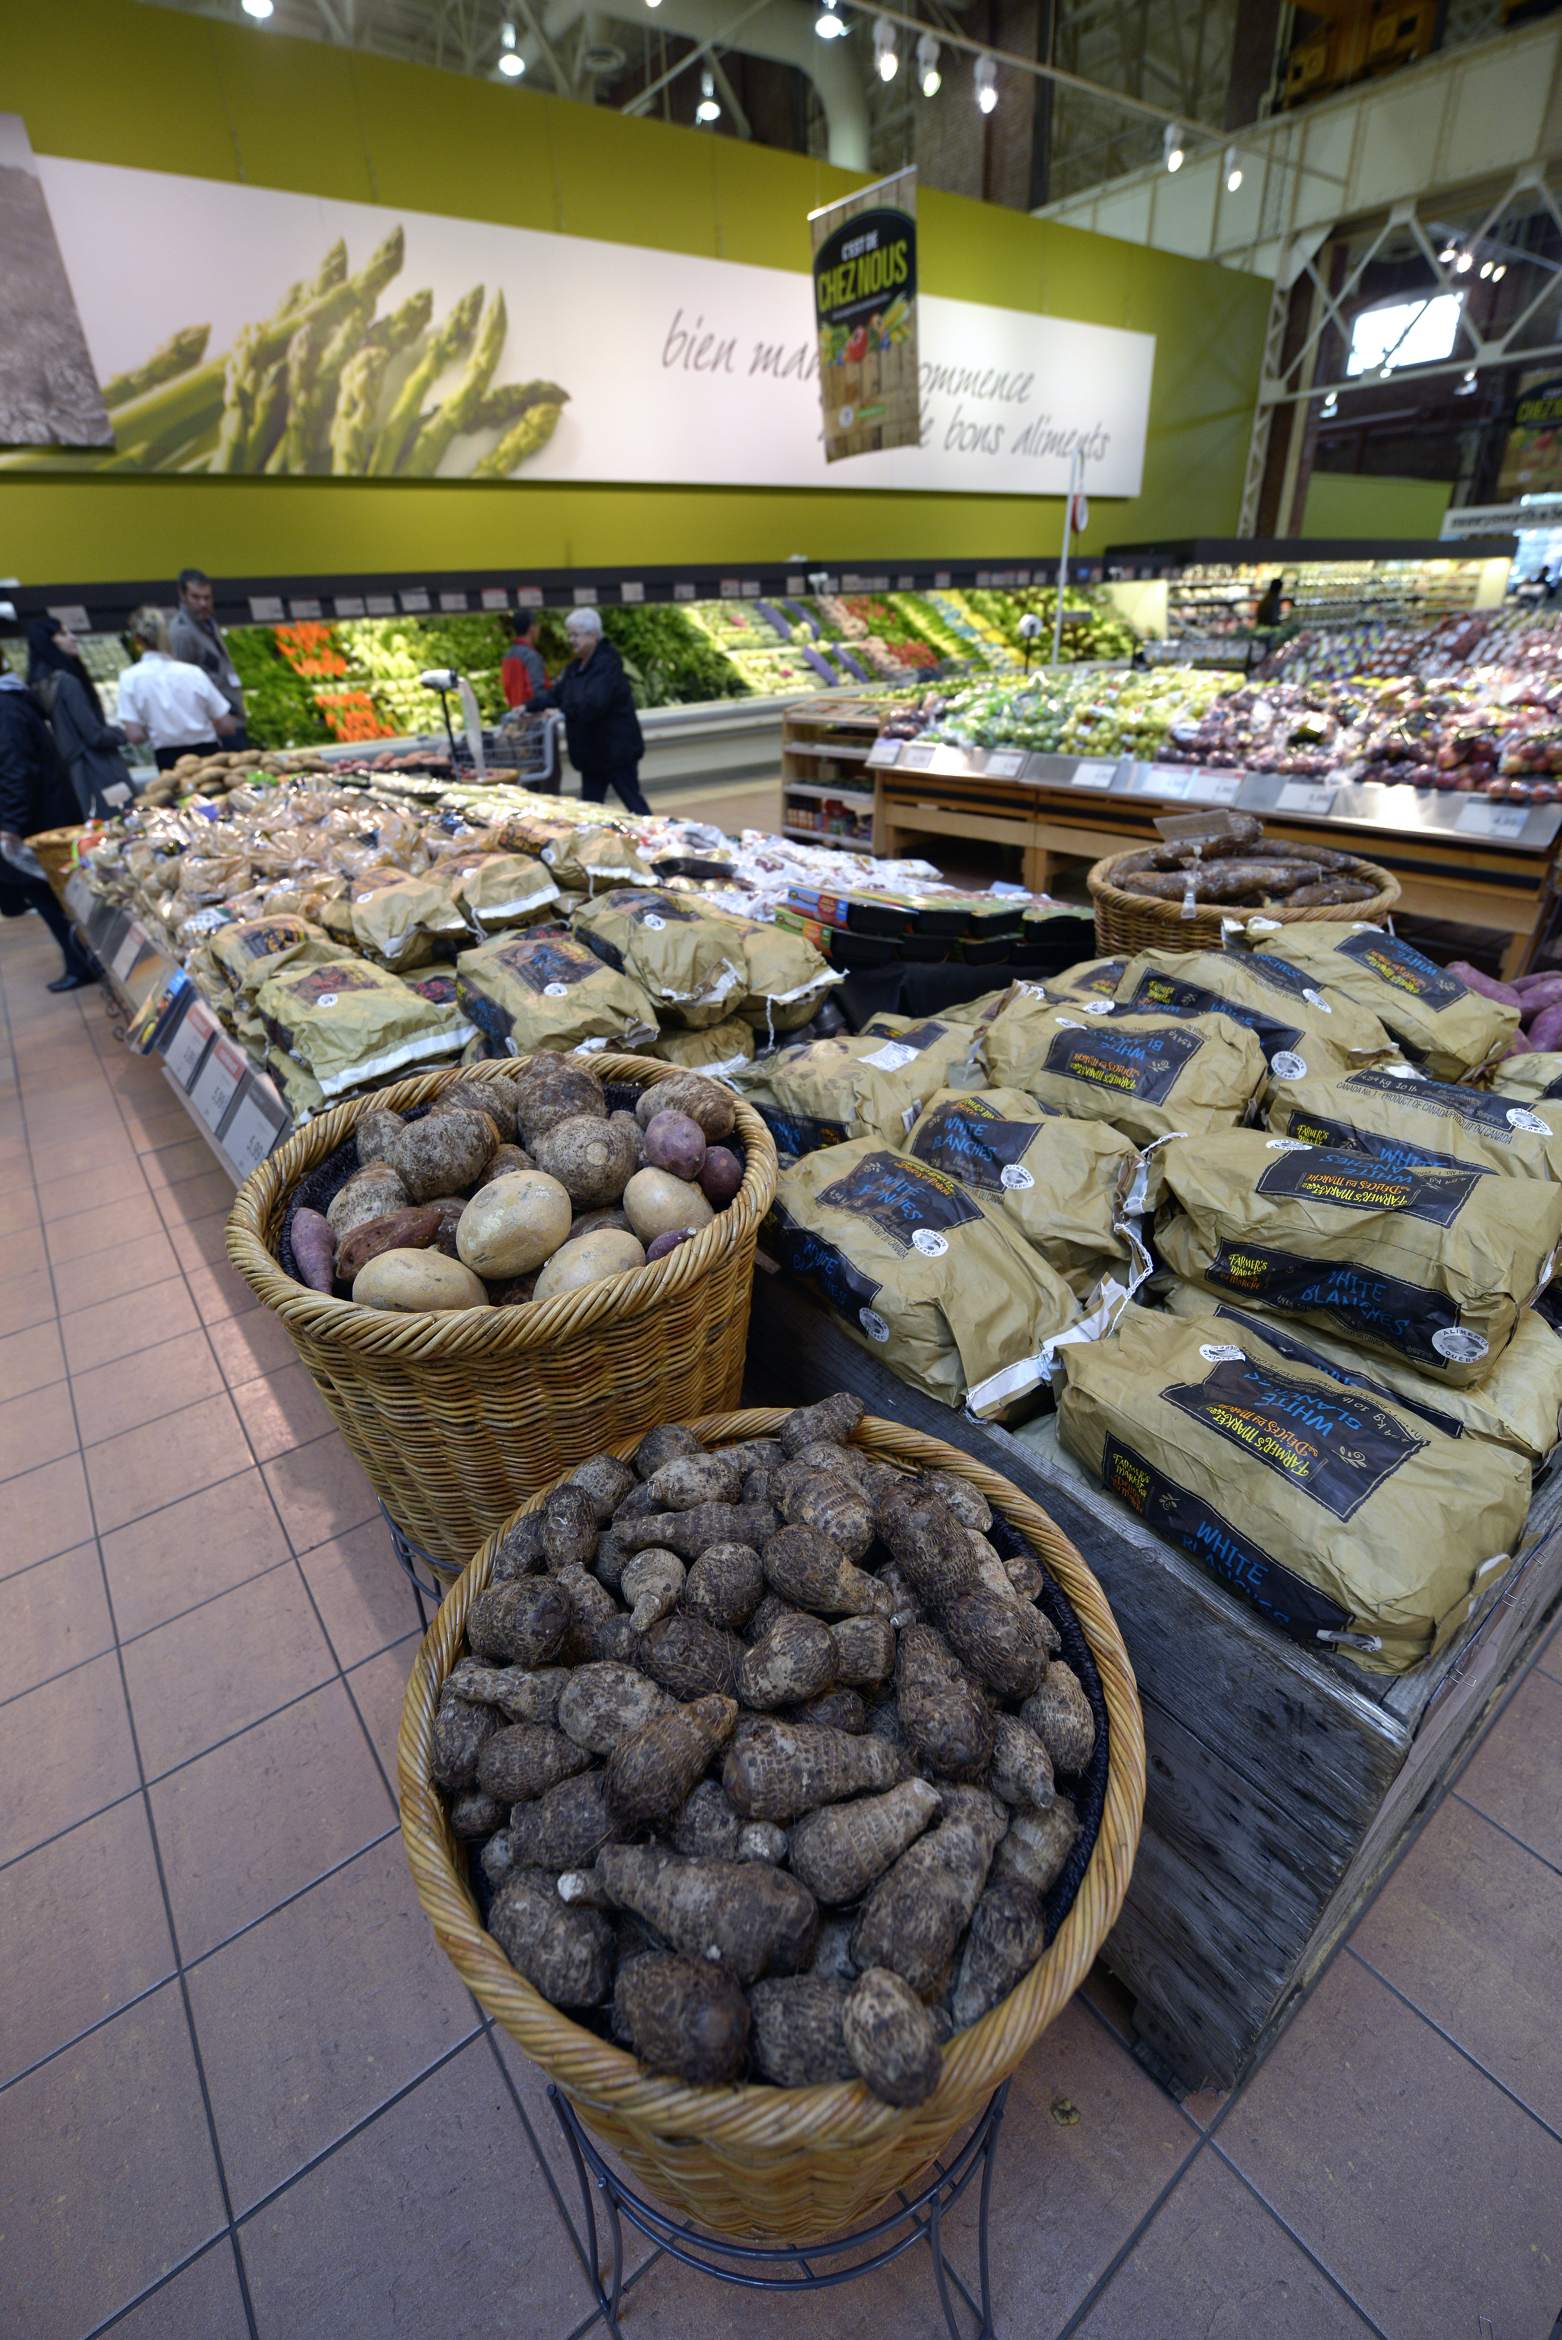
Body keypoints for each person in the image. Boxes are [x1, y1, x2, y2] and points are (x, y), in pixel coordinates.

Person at [0, 664, 100, 991]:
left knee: (52, 896)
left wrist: (9, 825)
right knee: (62, 893)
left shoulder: (4, 707)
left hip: (38, 827)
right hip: (44, 818)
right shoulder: (13, 700)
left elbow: (15, 770)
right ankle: (86, 960)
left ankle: (82, 963)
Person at [527, 607, 651, 813]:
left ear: (593, 635)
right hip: (593, 754)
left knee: (632, 802)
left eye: (576, 635)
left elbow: (594, 703)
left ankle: (655, 832)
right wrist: (528, 706)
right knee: (591, 808)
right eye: (570, 635)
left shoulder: (607, 664)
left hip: (615, 751)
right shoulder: (576, 668)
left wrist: (563, 711)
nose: (571, 640)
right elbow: (557, 694)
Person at [26, 618, 134, 820]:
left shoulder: (37, 685)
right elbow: (94, 735)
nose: (73, 638)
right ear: (48, 642)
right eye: (63, 634)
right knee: (122, 821)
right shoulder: (67, 682)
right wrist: (123, 734)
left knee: (97, 828)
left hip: (74, 776)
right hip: (100, 770)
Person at [116, 607, 238, 769]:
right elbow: (227, 726)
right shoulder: (193, 673)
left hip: (169, 762)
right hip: (209, 757)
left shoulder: (129, 678)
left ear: (137, 639)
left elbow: (135, 735)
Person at [168, 567, 248, 746]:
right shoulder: (182, 632)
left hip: (231, 716)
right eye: (196, 597)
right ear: (183, 595)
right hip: (215, 724)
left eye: (207, 597)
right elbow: (183, 683)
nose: (203, 603)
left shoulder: (208, 622)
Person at [501, 611, 547, 710]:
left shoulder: (507, 655)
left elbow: (507, 687)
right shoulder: (531, 656)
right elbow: (537, 690)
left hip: (516, 712)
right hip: (532, 713)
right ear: (531, 628)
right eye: (537, 626)